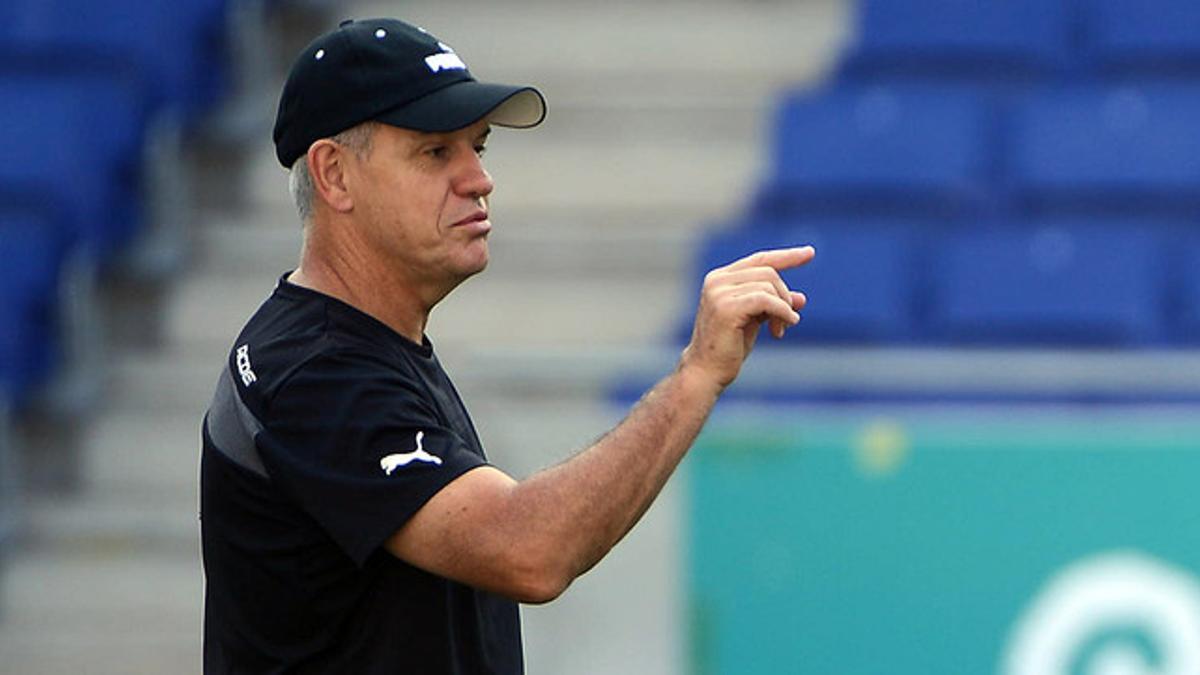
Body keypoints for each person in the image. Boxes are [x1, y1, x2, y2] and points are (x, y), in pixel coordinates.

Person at [199, 17, 814, 674]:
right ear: (335, 175)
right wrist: (694, 376)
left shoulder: (370, 349)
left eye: (479, 147)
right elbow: (530, 547)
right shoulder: (315, 371)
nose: (478, 179)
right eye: (436, 152)